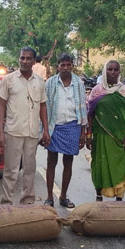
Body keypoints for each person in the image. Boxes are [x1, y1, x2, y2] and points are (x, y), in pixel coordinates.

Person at [0, 46, 50, 205]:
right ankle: (6, 203)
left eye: (28, 58)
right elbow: (1, 106)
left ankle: (27, 202)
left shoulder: (39, 81)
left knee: (30, 170)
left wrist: (46, 130)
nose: (24, 61)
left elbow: (43, 106)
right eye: (22, 58)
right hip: (13, 131)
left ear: (34, 61)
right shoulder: (9, 80)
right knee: (11, 170)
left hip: (32, 132)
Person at [86, 60, 125, 201]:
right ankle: (98, 195)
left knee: (118, 164)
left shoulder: (124, 91)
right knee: (100, 165)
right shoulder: (97, 91)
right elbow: (90, 114)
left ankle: (119, 198)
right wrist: (88, 135)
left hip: (120, 137)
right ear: (104, 71)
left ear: (120, 72)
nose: (113, 72)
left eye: (116, 70)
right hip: (101, 136)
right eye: (110, 69)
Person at [44, 53, 87, 208]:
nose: (66, 68)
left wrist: (83, 132)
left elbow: (83, 107)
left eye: (69, 65)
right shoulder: (50, 83)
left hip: (72, 126)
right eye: (63, 65)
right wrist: (45, 131)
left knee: (68, 162)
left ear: (72, 66)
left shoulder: (79, 83)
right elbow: (45, 107)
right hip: (53, 126)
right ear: (58, 66)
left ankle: (63, 196)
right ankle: (49, 197)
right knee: (51, 161)